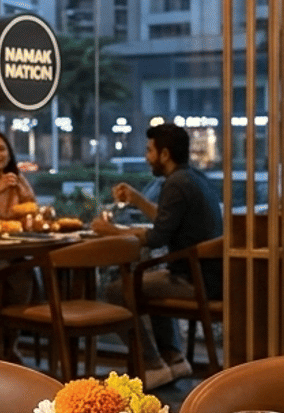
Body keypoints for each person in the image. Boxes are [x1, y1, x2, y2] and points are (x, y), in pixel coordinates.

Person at [92, 122, 222, 388]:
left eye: (150, 150)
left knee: (118, 291)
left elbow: (156, 238)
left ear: (164, 154)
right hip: (209, 276)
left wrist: (110, 231)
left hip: (195, 281)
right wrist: (138, 200)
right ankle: (173, 358)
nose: (146, 156)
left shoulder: (175, 184)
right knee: (152, 282)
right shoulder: (193, 178)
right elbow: (167, 223)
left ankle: (151, 363)